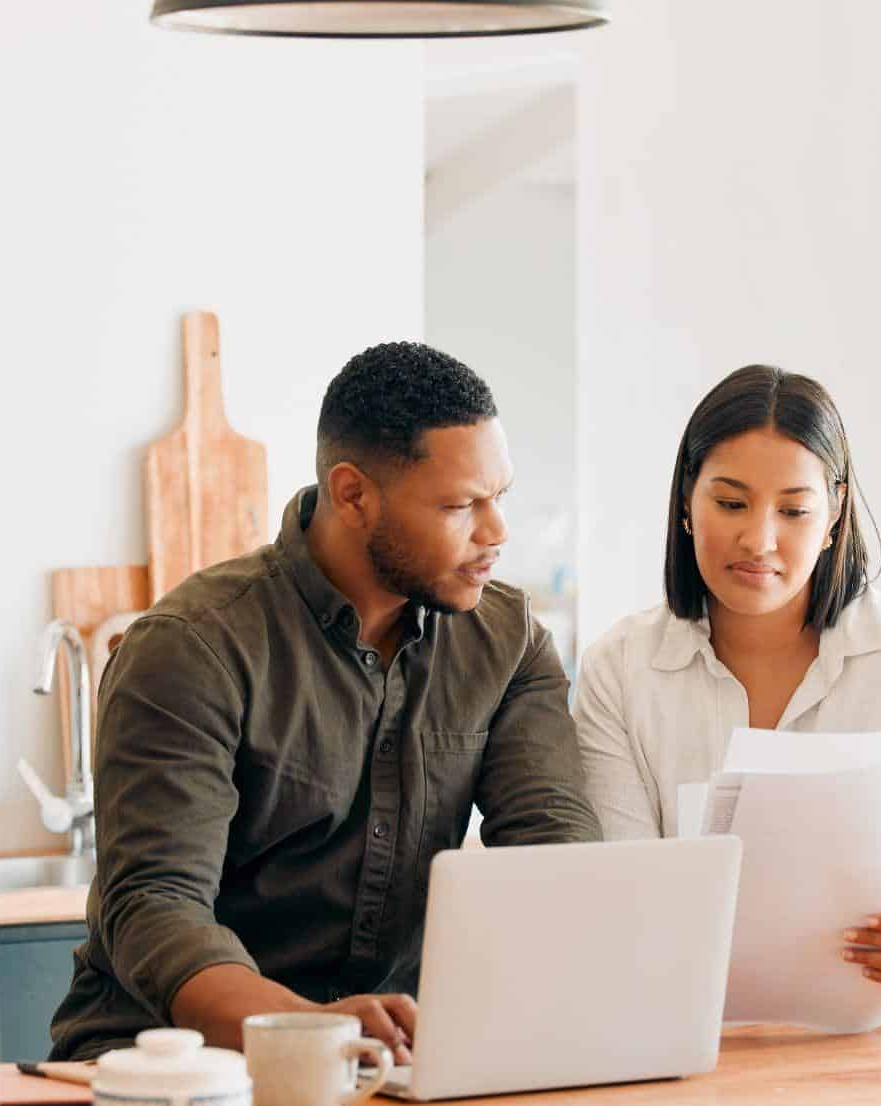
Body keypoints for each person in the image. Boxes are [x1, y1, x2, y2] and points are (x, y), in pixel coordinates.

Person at [49, 342, 601, 1062]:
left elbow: (552, 852)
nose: (496, 533)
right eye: (462, 505)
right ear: (352, 495)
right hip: (175, 1068)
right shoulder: (192, 647)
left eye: (501, 497)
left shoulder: (509, 639)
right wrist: (316, 1033)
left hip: (387, 1064)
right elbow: (156, 906)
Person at [571, 364, 881, 1009]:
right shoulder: (620, 670)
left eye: (793, 510)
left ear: (834, 514)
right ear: (687, 501)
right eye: (731, 503)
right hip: (673, 1036)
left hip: (869, 1049)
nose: (758, 539)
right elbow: (624, 896)